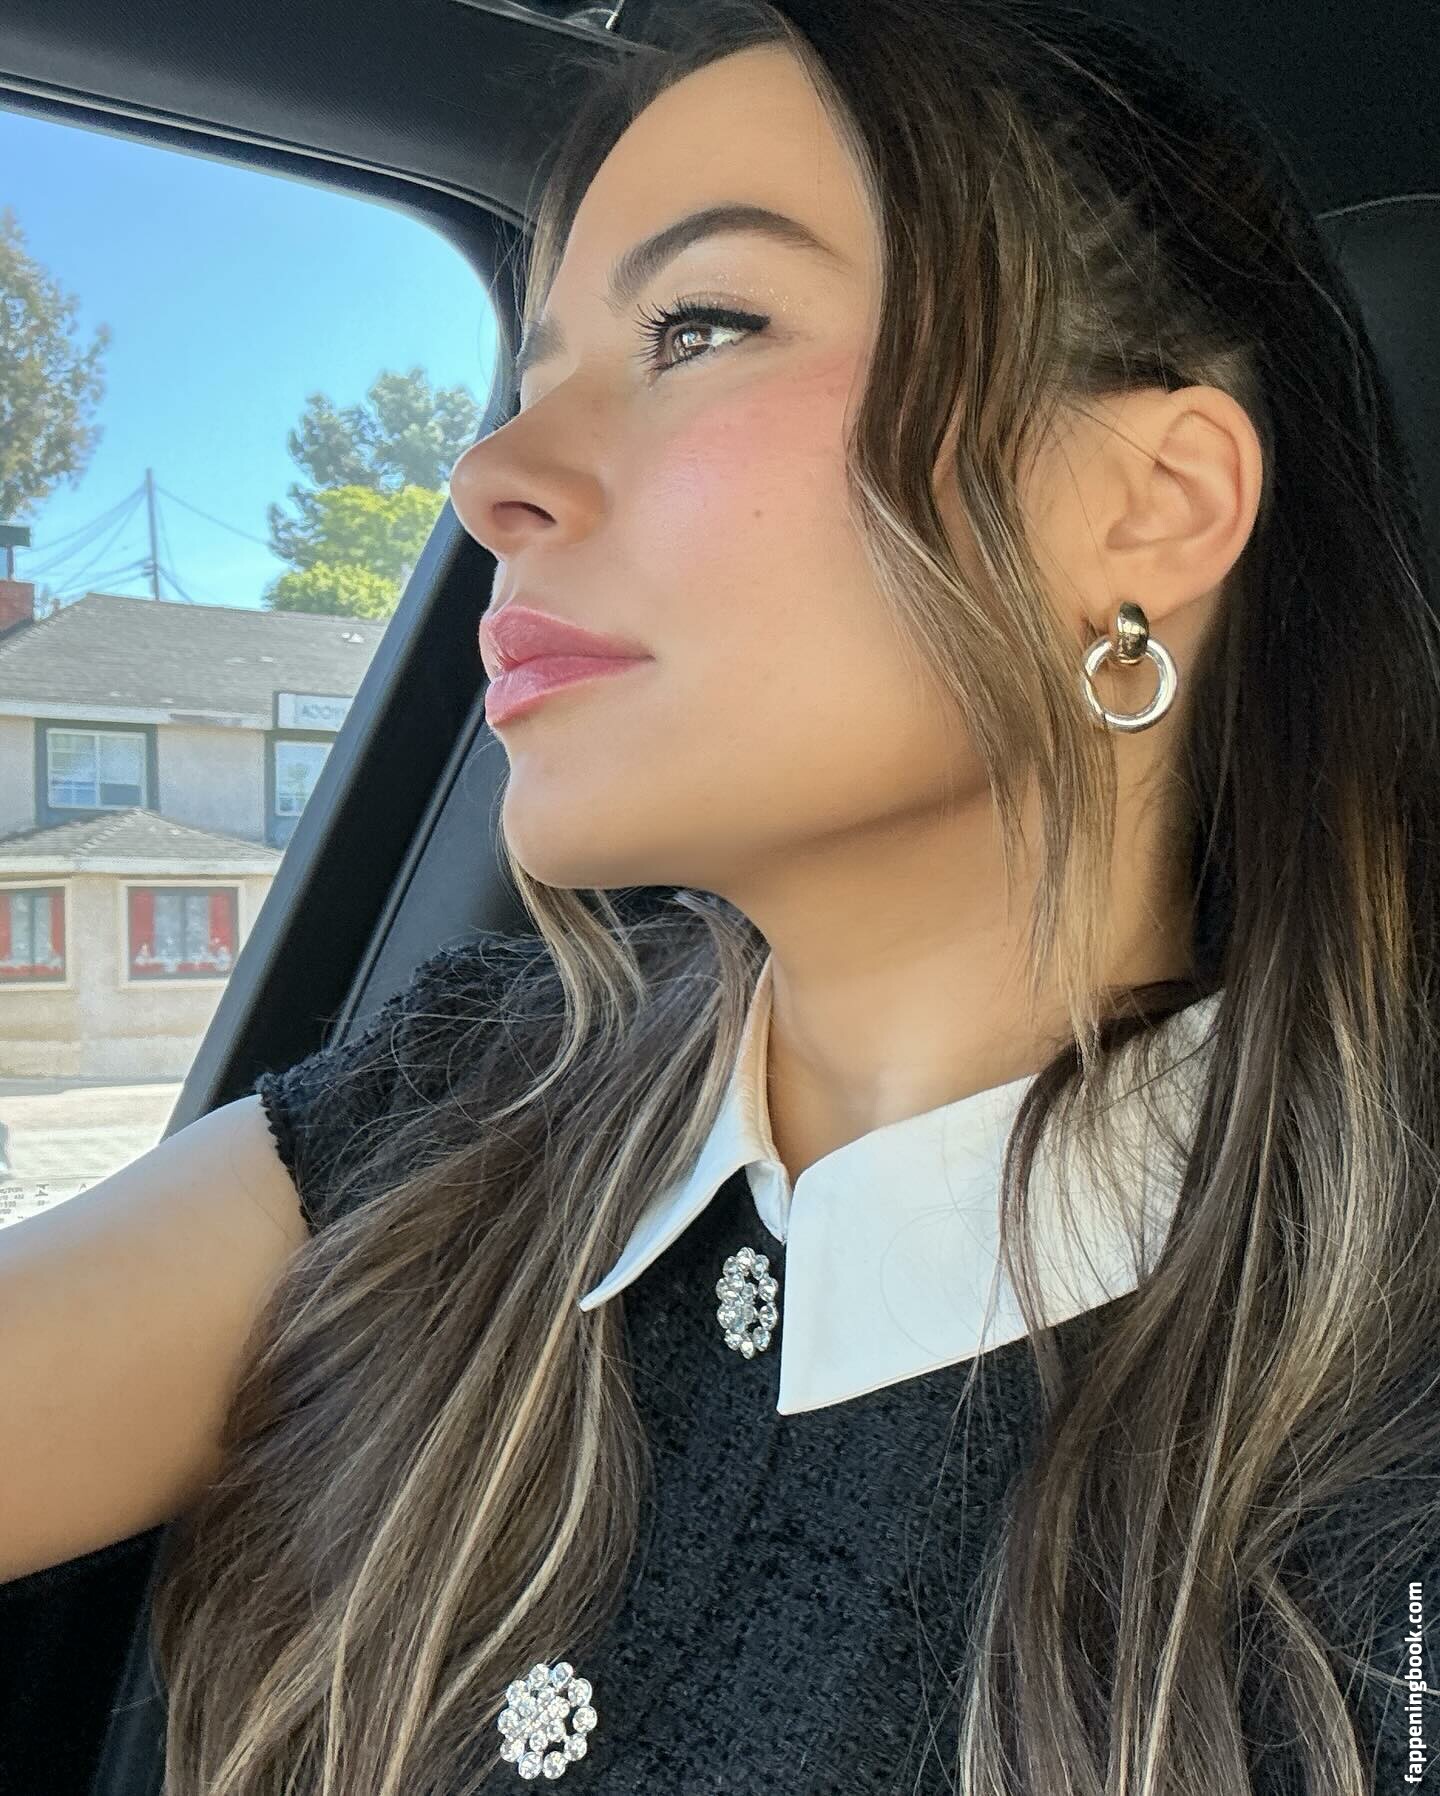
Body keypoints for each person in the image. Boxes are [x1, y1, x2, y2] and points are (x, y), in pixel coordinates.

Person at [3, 0, 1436, 1789]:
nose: (488, 478)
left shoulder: (1388, 1438)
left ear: (1150, 505)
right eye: (528, 380)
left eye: (700, 326)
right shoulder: (451, 1115)